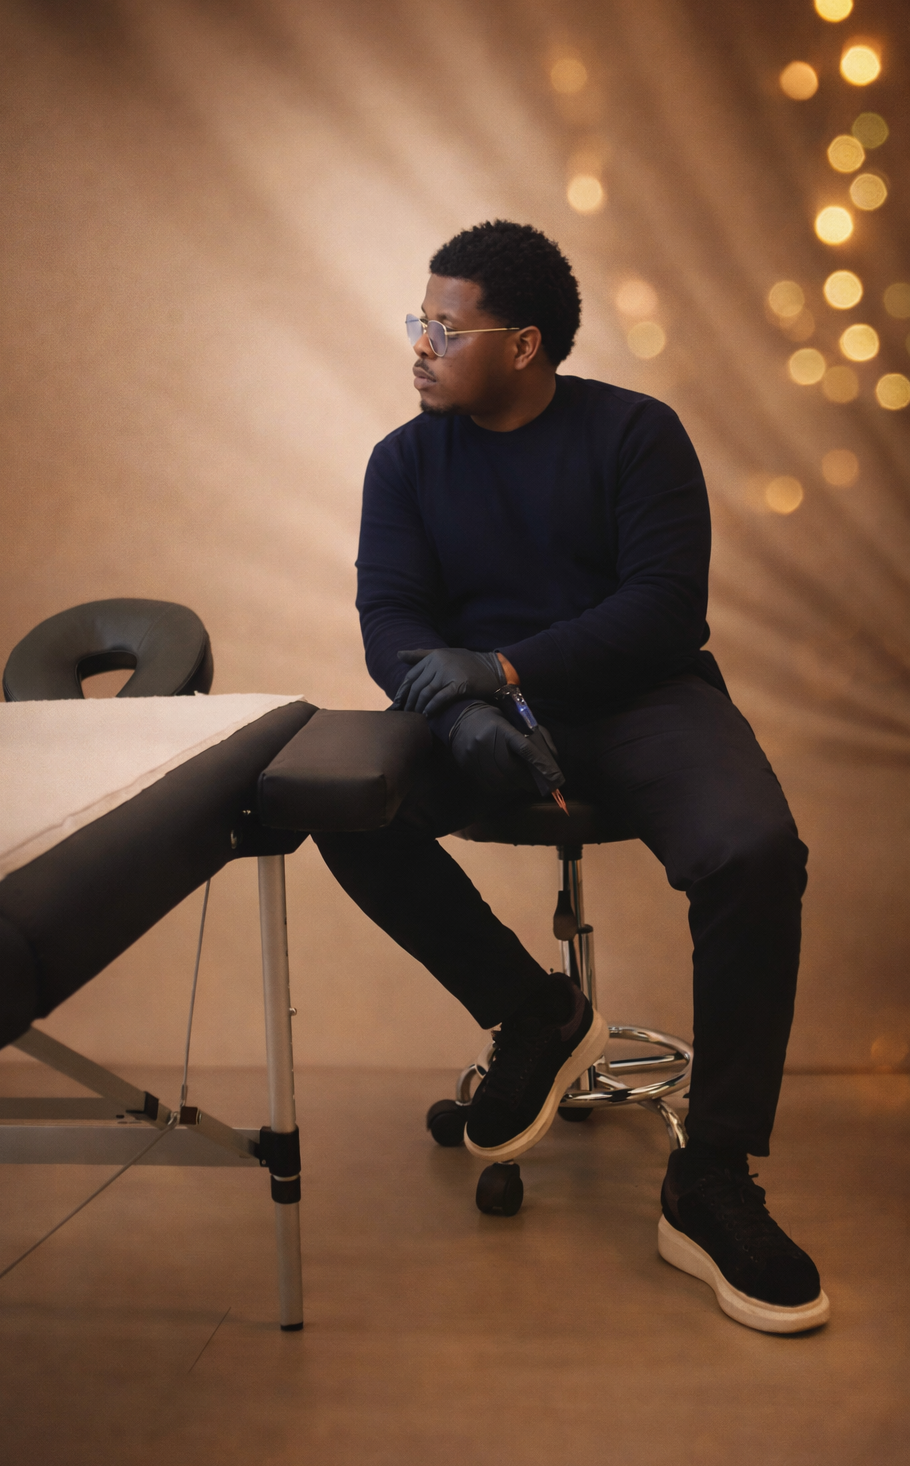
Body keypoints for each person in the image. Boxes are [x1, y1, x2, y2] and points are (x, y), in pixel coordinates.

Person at [316, 220, 828, 1334]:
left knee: (753, 854)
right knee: (339, 792)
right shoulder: (402, 460)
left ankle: (714, 1181)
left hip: (643, 703)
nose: (419, 344)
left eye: (445, 328)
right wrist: (454, 708)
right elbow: (391, 620)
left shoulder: (636, 436)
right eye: (420, 320)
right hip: (474, 720)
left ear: (525, 345)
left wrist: (500, 668)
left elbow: (661, 611)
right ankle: (534, 1014)